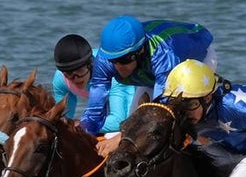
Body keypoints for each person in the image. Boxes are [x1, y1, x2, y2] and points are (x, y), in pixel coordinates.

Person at [82, 15, 216, 154]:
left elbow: (162, 110)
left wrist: (120, 138)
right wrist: (84, 136)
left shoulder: (163, 54)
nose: (118, 66)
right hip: (150, 73)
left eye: (124, 59)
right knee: (133, 121)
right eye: (113, 60)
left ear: (140, 50)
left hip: (192, 61)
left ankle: (205, 150)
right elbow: (94, 110)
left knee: (175, 118)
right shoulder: (104, 60)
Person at [51, 34, 135, 134]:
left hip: (136, 88)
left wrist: (80, 125)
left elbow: (119, 122)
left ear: (90, 64)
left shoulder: (112, 73)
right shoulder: (60, 79)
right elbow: (65, 120)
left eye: (79, 71)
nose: (75, 78)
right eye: (69, 74)